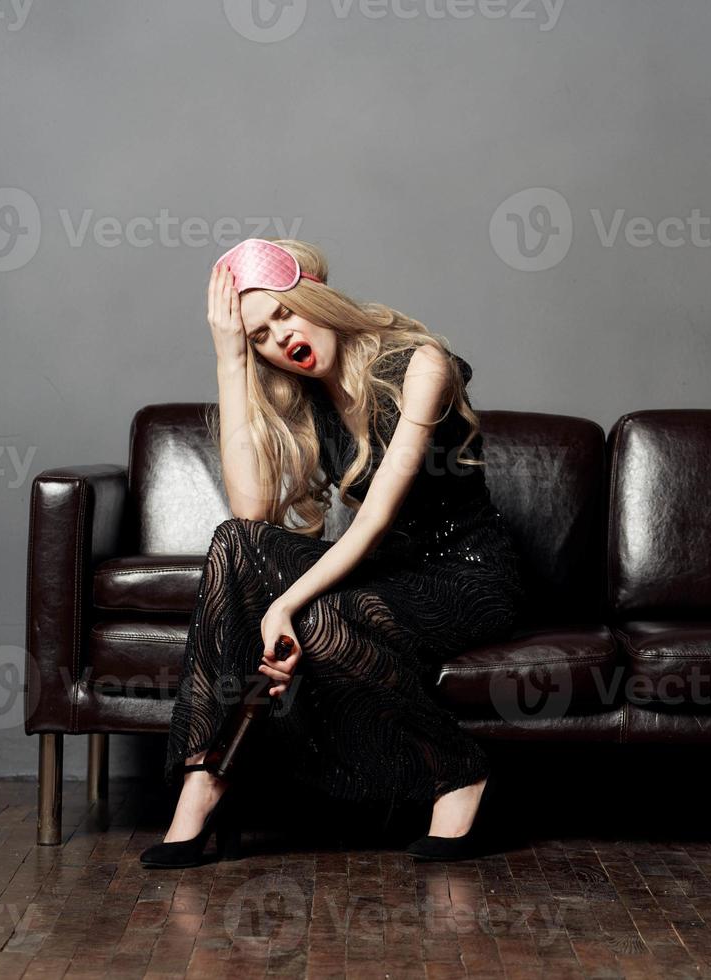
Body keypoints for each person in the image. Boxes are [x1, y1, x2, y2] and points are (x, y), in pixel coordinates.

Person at [139, 238, 527, 868]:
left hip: (468, 576)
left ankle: (457, 771)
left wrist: (284, 606)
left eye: (284, 315)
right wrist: (229, 360)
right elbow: (251, 515)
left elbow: (372, 522)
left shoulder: (420, 364)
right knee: (235, 543)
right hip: (388, 576)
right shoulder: (306, 400)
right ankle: (206, 774)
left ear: (314, 295)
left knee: (319, 620)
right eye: (260, 335)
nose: (278, 339)